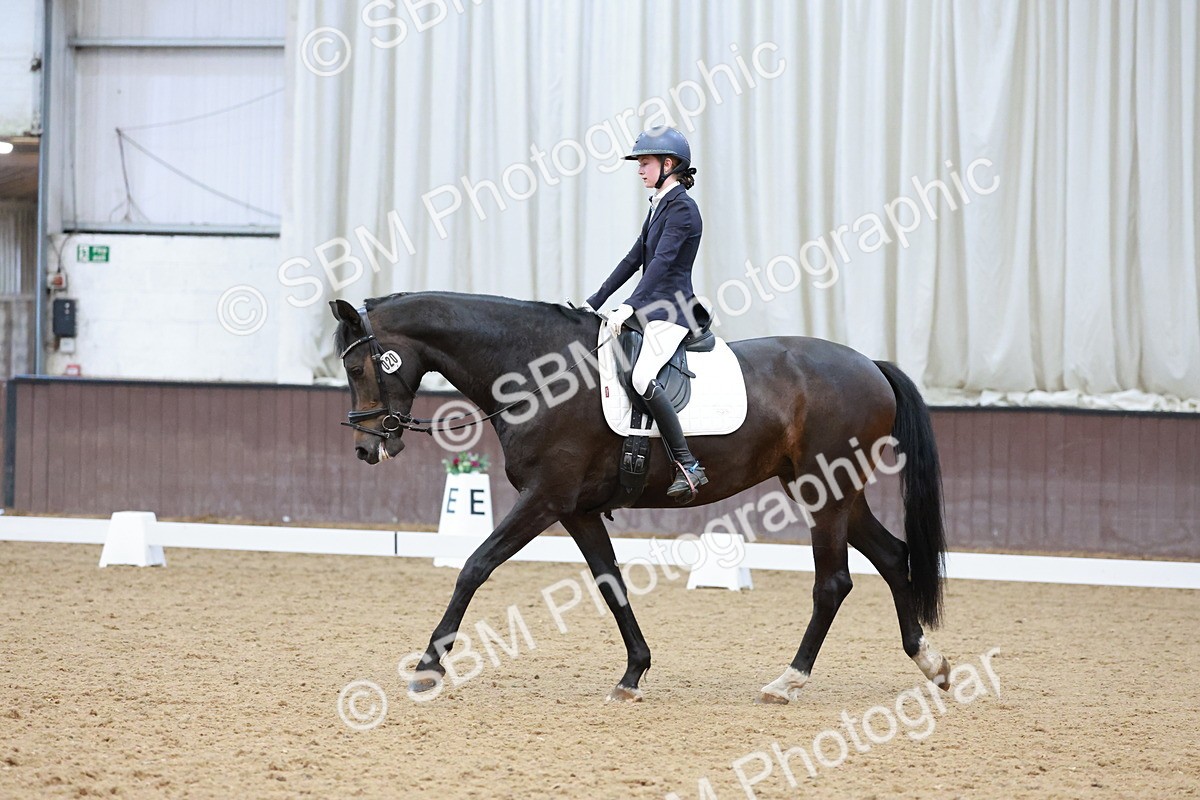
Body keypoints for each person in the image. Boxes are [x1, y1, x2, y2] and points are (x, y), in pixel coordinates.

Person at [586, 126, 709, 503]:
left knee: (641, 377)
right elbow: (634, 259)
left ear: (668, 164)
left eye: (645, 162)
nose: (640, 169)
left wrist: (630, 305)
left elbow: (661, 264)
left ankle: (688, 465)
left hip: (673, 312)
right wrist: (594, 301)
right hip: (652, 308)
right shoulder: (660, 205)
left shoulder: (683, 209)